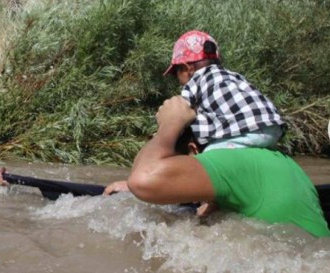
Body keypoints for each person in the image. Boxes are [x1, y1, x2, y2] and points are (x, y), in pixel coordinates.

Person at [104, 96, 330, 237]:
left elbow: (143, 180)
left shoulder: (228, 163)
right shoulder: (268, 160)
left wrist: (169, 124)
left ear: (193, 150)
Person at [163, 30, 285, 152]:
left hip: (247, 130)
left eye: (176, 73)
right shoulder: (233, 76)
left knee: (208, 154)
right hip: (273, 128)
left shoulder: (196, 81)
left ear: (186, 68)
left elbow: (181, 111)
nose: (177, 80)